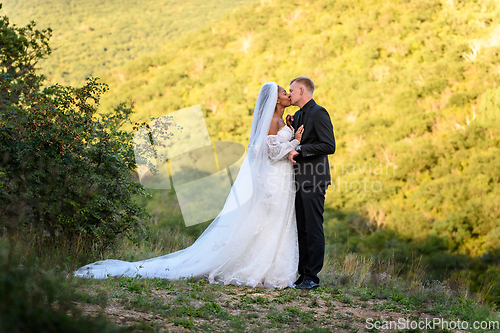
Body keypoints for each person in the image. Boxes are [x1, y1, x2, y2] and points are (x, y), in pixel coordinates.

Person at [74, 82, 305, 289]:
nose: (287, 94)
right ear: (275, 99)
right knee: (268, 220)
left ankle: (271, 266)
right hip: (274, 178)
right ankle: (259, 267)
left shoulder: (279, 120)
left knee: (275, 221)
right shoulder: (273, 121)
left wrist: (289, 130)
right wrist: (295, 140)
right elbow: (271, 151)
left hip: (282, 176)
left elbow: (273, 145)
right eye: (284, 92)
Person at [286, 76, 336, 290]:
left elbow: (329, 145)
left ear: (302, 91)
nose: (289, 94)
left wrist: (301, 150)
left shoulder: (319, 112)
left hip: (314, 179)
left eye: (291, 90)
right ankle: (302, 273)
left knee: (314, 228)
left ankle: (312, 277)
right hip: (297, 180)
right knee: (301, 229)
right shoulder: (297, 115)